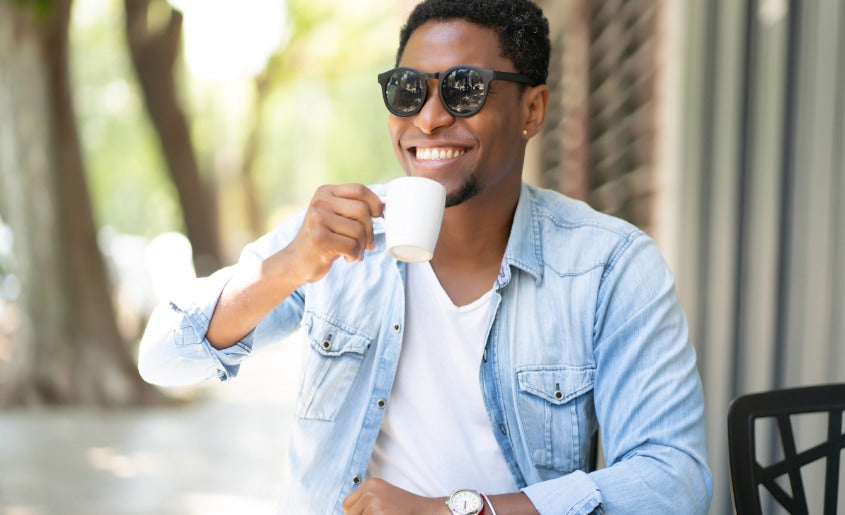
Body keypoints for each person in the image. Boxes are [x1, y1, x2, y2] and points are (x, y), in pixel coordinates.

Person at [138, 0, 713, 513]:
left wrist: (456, 512)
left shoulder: (611, 267)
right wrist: (287, 267)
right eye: (408, 90)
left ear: (533, 110)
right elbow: (163, 357)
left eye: (465, 89)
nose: (430, 117)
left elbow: (673, 482)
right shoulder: (334, 236)